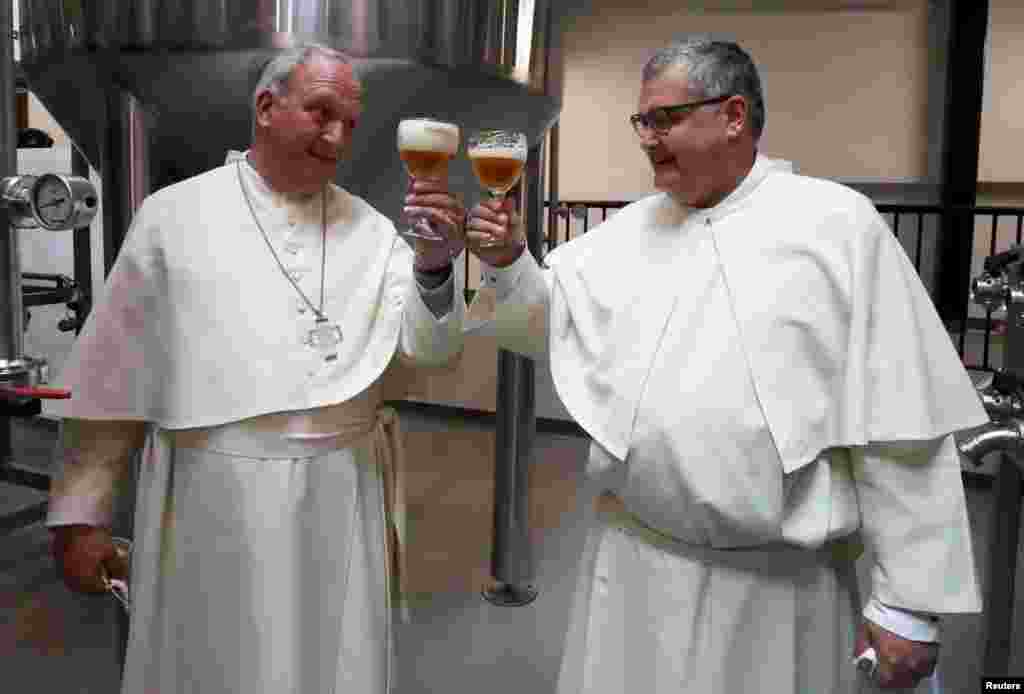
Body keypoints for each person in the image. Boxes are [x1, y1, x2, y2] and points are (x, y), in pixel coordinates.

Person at [465, 37, 987, 692]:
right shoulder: (626, 234)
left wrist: (910, 601)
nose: (648, 138)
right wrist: (511, 263)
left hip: (775, 596)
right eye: (642, 121)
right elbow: (540, 329)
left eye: (666, 118)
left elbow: (901, 423)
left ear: (734, 115)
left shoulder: (837, 228)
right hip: (635, 575)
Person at [46, 43, 466, 693]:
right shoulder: (173, 218)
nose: (337, 138)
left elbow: (428, 349)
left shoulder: (374, 231)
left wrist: (435, 267)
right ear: (266, 108)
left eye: (350, 124)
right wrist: (82, 516)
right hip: (214, 497)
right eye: (322, 113)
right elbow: (112, 378)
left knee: (331, 665)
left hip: (340, 492)